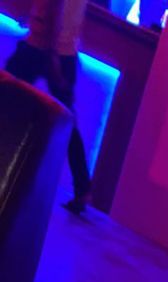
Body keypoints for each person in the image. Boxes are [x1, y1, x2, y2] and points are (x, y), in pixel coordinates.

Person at [5, 0, 92, 214]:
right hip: (63, 51)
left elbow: (56, 6)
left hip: (43, 47)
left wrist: (52, 52)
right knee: (69, 123)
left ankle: (82, 188)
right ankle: (82, 188)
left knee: (5, 95)